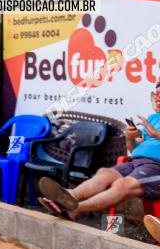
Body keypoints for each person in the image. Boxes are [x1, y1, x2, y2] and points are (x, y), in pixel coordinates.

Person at [38, 82, 160, 224]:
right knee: (105, 173)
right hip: (136, 161)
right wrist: (130, 138)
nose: (157, 97)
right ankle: (68, 196)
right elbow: (133, 150)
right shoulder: (153, 117)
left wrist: (156, 134)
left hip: (156, 167)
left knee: (122, 185)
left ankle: (74, 209)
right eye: (156, 94)